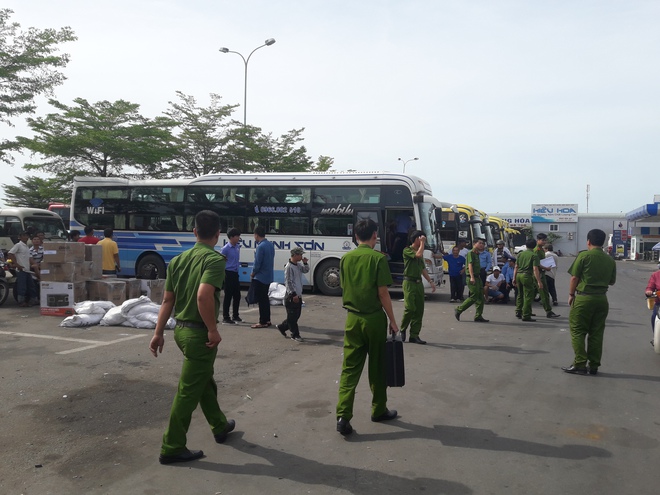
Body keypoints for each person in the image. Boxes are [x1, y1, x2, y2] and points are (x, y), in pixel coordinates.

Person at [149, 210, 235, 465]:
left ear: (194, 232)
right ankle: (172, 446)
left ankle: (219, 425)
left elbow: (167, 300)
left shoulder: (177, 260)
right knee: (188, 391)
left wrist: (157, 333)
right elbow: (203, 296)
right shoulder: (215, 260)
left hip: (180, 331)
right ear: (218, 235)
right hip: (199, 333)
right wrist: (212, 328)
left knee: (203, 380)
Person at [336, 219, 399, 436]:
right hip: (373, 319)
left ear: (355, 237)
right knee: (377, 367)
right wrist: (392, 319)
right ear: (374, 235)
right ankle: (378, 409)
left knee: (350, 368)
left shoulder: (345, 259)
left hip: (352, 319)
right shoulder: (377, 259)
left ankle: (343, 415)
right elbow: (383, 293)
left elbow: (345, 287)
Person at [562, 229, 616, 375]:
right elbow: (612, 281)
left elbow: (574, 277)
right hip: (601, 299)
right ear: (603, 242)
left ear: (588, 241)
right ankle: (594, 365)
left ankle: (580, 363)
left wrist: (571, 294)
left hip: (584, 298)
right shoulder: (610, 260)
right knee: (597, 333)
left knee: (578, 331)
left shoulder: (583, 256)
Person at [400, 231, 436, 344]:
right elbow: (418, 255)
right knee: (410, 308)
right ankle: (403, 328)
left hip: (418, 283)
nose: (422, 239)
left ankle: (414, 335)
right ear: (415, 239)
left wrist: (430, 281)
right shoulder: (407, 250)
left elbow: (422, 268)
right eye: (420, 238)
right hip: (409, 282)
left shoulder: (420, 251)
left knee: (419, 310)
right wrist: (422, 244)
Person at [276, 247, 310, 342]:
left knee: (296, 316)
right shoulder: (289, 267)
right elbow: (289, 282)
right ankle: (295, 334)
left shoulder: (298, 265)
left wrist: (305, 263)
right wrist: (293, 294)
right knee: (292, 317)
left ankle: (282, 327)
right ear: (294, 255)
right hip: (292, 296)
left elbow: (305, 270)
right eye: (300, 255)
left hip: (298, 295)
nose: (301, 256)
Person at [454, 238, 488, 322]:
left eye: (483, 243)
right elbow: (470, 265)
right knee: (474, 296)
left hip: (478, 277)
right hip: (472, 277)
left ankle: (478, 316)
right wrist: (472, 277)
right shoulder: (471, 253)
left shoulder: (476, 254)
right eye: (480, 243)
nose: (482, 245)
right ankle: (459, 309)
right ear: (474, 244)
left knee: (480, 297)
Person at [250, 226, 275, 328]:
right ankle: (267, 320)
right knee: (265, 299)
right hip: (268, 276)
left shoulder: (260, 246)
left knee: (261, 300)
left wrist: (252, 273)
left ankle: (262, 321)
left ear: (256, 235)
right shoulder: (270, 245)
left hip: (260, 277)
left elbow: (257, 263)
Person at [513, 239, 543, 321]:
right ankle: (526, 314)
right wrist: (539, 281)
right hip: (527, 276)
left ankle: (518, 311)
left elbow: (516, 266)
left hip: (519, 274)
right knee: (528, 296)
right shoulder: (534, 255)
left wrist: (514, 278)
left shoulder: (520, 254)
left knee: (520, 294)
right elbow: (535, 269)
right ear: (534, 245)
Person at [7, 231, 38, 307]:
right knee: (22, 286)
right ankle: (21, 301)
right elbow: (10, 253)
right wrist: (17, 265)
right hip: (21, 270)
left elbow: (29, 258)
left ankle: (34, 300)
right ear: (20, 237)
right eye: (24, 235)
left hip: (27, 269)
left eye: (27, 235)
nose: (26, 237)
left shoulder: (26, 247)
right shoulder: (18, 245)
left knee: (31, 286)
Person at [534, 233, 560, 318]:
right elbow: (536, 265)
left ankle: (522, 311)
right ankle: (548, 311)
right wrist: (546, 268)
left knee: (533, 293)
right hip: (539, 274)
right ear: (538, 240)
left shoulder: (541, 249)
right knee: (544, 293)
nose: (544, 241)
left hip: (541, 273)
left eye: (545, 240)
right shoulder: (537, 250)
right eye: (543, 240)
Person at [220, 228, 242, 324]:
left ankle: (235, 315)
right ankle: (226, 317)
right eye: (237, 236)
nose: (238, 238)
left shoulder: (237, 247)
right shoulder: (225, 249)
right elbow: (221, 261)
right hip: (228, 273)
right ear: (231, 237)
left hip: (235, 273)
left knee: (237, 295)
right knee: (228, 296)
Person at [645, 265, 660, 343]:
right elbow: (650, 287)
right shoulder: (655, 275)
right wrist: (649, 291)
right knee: (654, 316)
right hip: (659, 303)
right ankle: (656, 337)